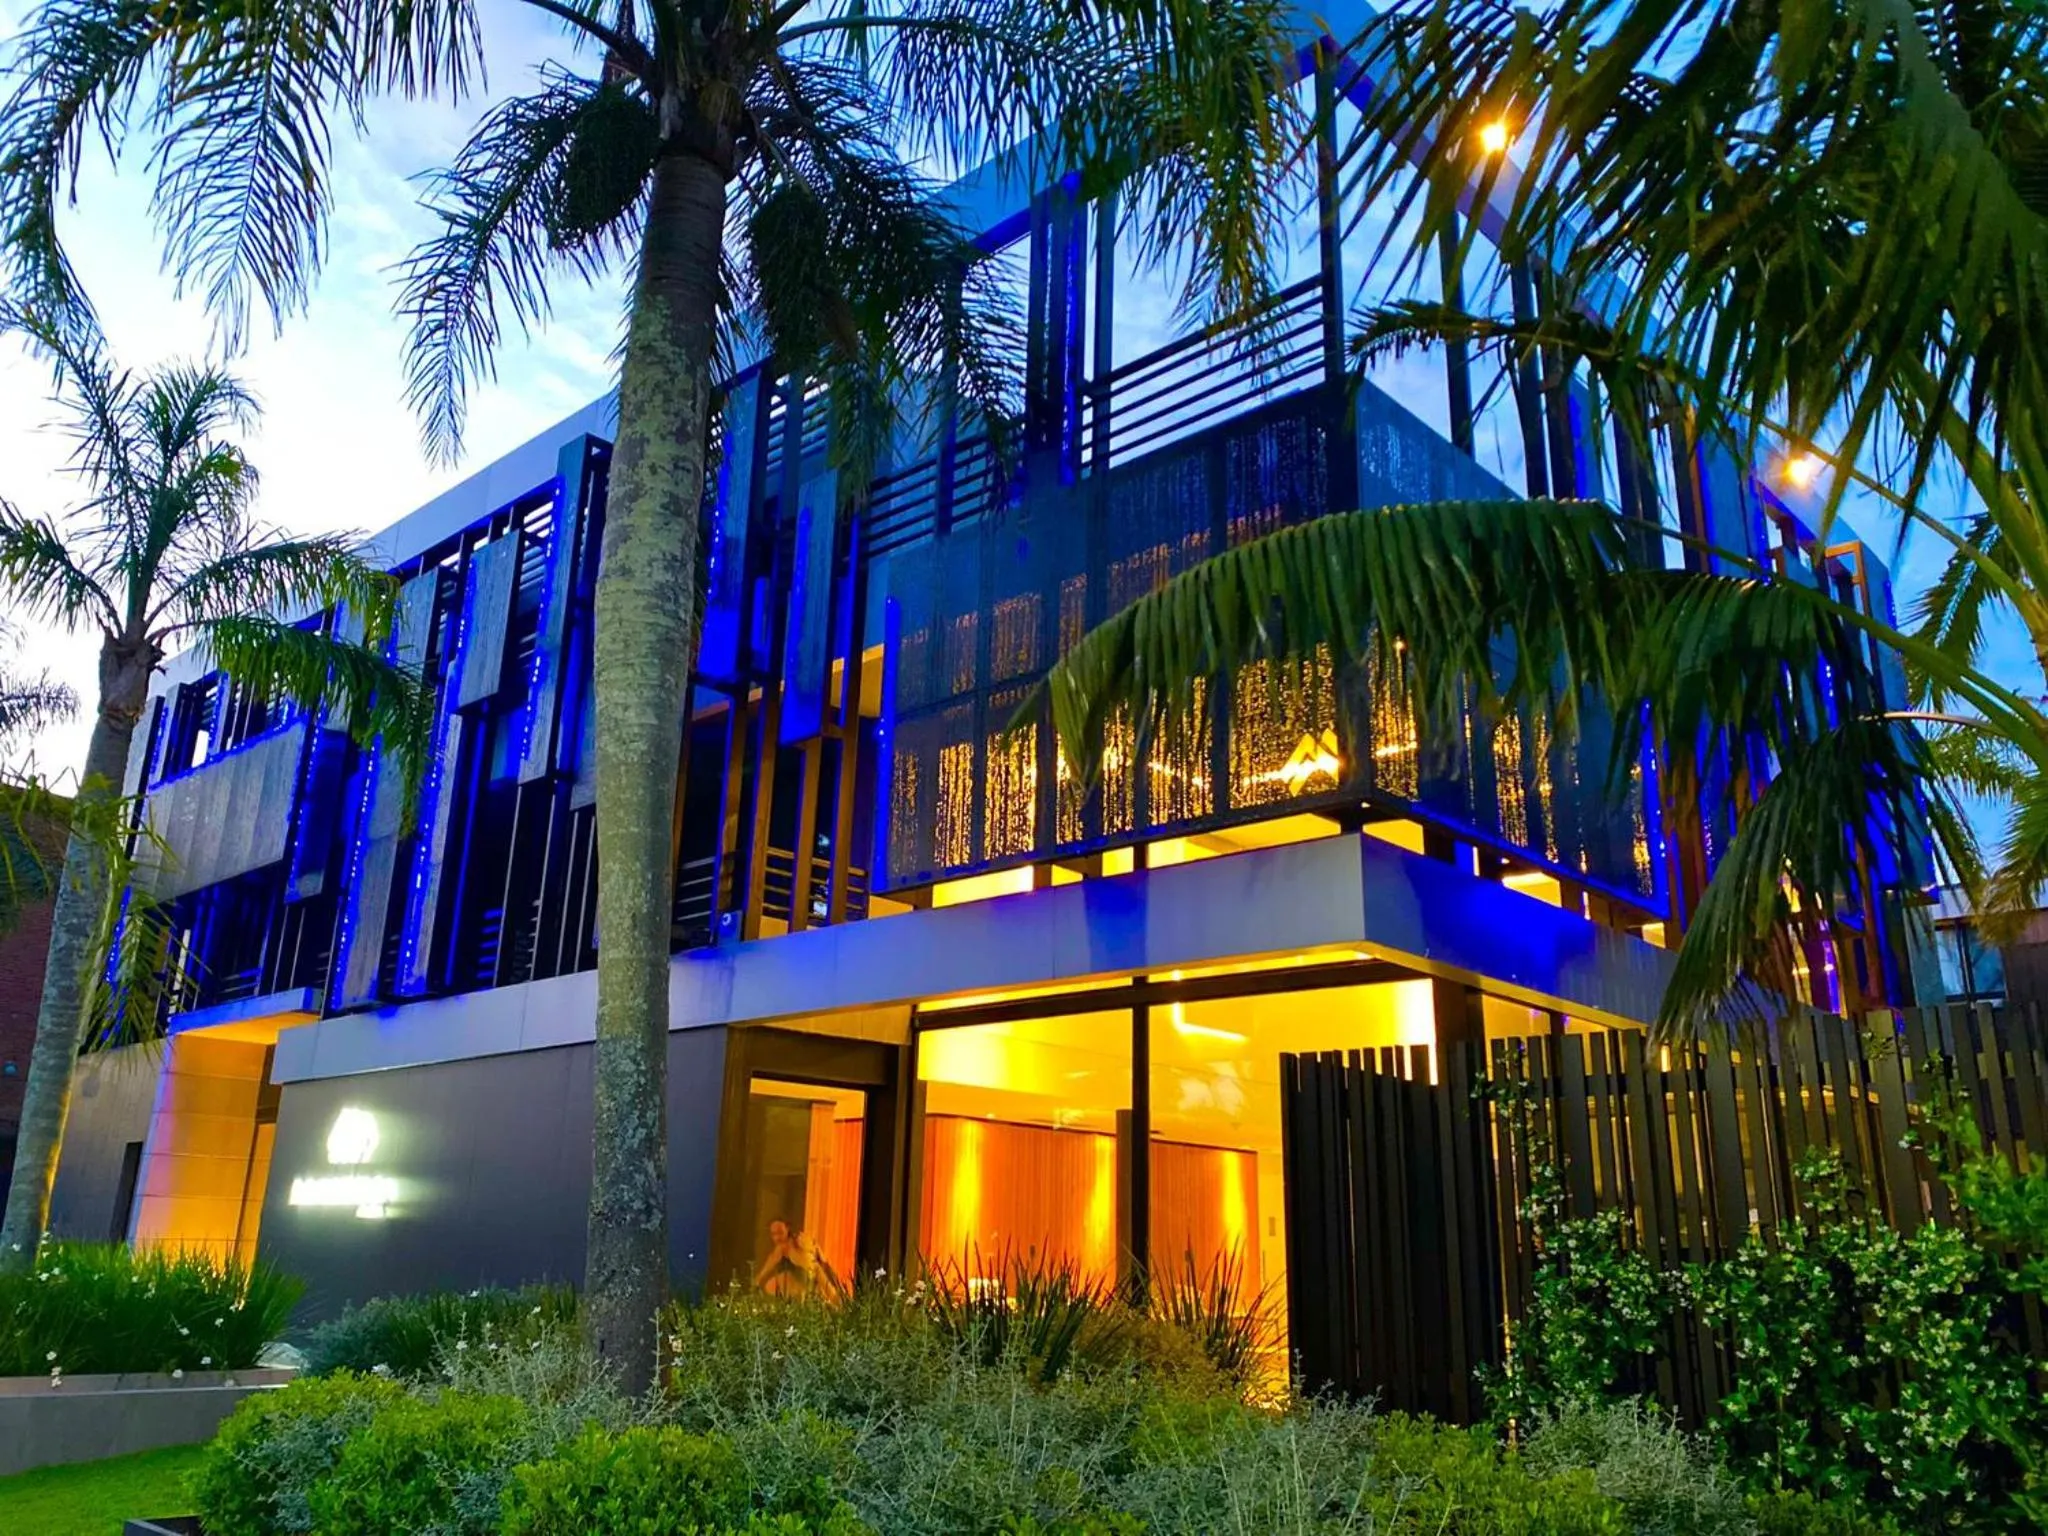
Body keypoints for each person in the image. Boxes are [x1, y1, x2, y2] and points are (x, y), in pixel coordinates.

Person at [753, 1217, 847, 1300]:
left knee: (834, 1297)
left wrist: (759, 1277)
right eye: (774, 1234)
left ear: (787, 1229)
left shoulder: (791, 1243)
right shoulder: (790, 1244)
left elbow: (772, 1260)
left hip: (813, 1275)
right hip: (810, 1277)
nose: (777, 1237)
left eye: (780, 1233)